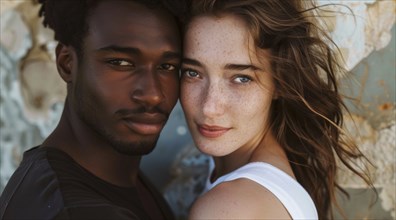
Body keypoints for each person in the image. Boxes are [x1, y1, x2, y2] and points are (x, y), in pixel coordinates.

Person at [180, 0, 373, 219]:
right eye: (192, 73)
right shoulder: (274, 181)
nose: (210, 107)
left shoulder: (230, 208)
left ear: (280, 82)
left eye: (242, 78)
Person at [0, 0, 183, 219]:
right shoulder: (77, 210)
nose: (153, 94)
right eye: (121, 63)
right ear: (67, 63)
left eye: (167, 67)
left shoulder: (114, 174)